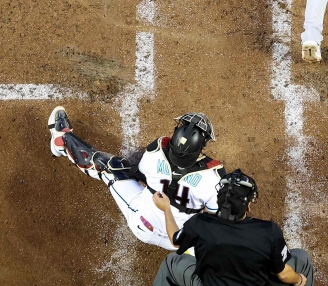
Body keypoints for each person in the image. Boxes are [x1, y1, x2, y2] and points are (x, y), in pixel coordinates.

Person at [128, 169, 328, 286]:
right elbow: (283, 274)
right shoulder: (268, 232)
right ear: (248, 207)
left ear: (218, 200)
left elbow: (175, 240)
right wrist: (300, 280)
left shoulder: (200, 223)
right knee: (300, 258)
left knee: (172, 263)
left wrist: (166, 209)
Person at [48, 106, 225, 250]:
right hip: (179, 241)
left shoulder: (155, 152)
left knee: (110, 166)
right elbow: (217, 215)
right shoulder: (214, 177)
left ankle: (61, 141)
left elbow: (138, 173)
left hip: (142, 224)